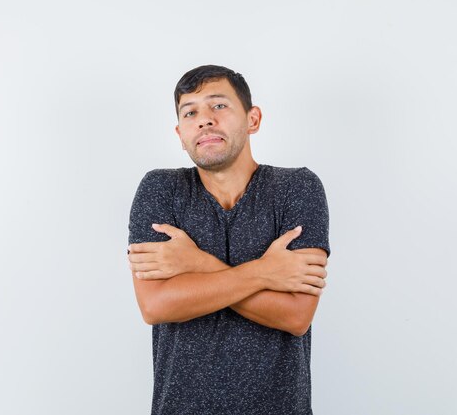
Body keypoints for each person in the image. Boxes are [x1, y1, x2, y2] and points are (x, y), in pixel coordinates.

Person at [127, 65, 330, 415]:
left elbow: (296, 315)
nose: (204, 120)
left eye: (218, 106)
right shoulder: (161, 189)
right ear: (180, 133)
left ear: (253, 119)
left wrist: (196, 264)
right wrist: (267, 273)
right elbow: (156, 306)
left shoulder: (296, 188)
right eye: (190, 112)